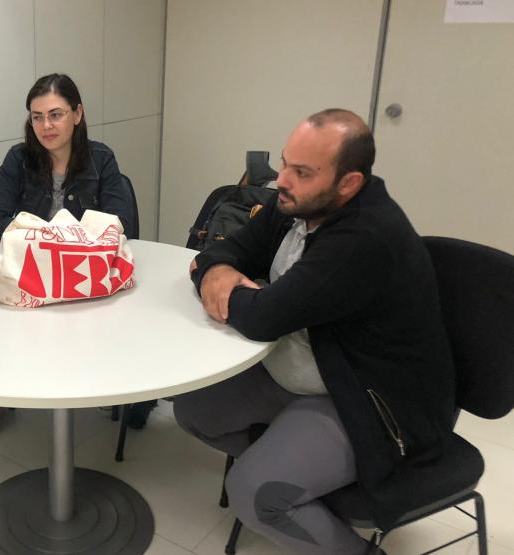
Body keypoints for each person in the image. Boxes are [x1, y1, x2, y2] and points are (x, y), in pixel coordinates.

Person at [174, 109, 455, 555]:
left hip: (365, 399)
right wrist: (217, 272)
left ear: (349, 183)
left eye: (301, 172)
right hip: (307, 370)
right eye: (285, 163)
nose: (282, 179)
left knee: (255, 493)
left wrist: (219, 277)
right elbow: (225, 250)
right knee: (192, 409)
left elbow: (263, 316)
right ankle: (297, 471)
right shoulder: (297, 202)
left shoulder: (363, 237)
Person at [0, 73, 154, 437]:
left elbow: (121, 224)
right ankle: (0, 391)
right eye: (36, 117)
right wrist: (62, 238)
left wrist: (44, 236)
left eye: (55, 114)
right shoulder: (18, 159)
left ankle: (95, 379)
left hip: (82, 275)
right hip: (34, 273)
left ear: (77, 113)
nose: (46, 125)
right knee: (2, 313)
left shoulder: (101, 158)